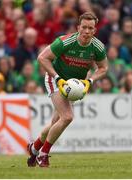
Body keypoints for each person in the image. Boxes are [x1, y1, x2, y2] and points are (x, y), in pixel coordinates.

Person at [27, 12, 108, 168]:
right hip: (55, 80)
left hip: (74, 85)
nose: (86, 31)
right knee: (68, 117)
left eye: (90, 28)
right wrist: (58, 79)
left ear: (94, 30)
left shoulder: (97, 47)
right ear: (78, 28)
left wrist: (89, 82)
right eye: (84, 27)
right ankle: (43, 155)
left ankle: (34, 147)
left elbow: (103, 68)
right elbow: (42, 58)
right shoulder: (64, 42)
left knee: (55, 124)